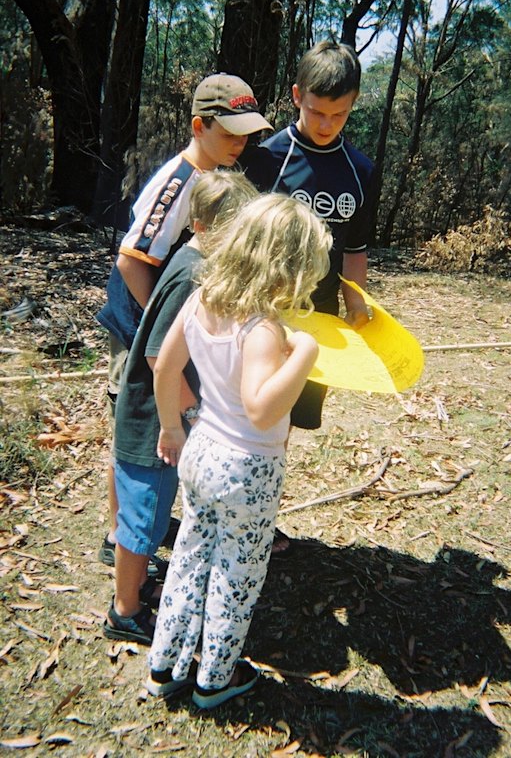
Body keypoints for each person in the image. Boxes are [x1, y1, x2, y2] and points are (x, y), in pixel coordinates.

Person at [144, 194, 332, 706]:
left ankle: (166, 664)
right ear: (288, 268)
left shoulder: (203, 296)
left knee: (189, 555)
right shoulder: (263, 328)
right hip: (248, 469)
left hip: (201, 448)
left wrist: (171, 429)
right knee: (236, 573)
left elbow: (163, 368)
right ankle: (216, 678)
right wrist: (306, 355)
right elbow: (262, 409)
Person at [96, 74, 272, 574]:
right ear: (199, 126)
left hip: (163, 325)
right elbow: (132, 261)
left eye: (246, 133)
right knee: (130, 429)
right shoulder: (180, 181)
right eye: (230, 132)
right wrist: (172, 328)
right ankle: (119, 534)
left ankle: (138, 522)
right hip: (137, 321)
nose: (240, 142)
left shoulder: (217, 177)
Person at [103, 169, 258, 647]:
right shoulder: (191, 273)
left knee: (148, 514)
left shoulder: (194, 261)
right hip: (154, 420)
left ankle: (136, 585)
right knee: (143, 520)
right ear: (210, 227)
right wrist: (191, 413)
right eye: (239, 234)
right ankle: (125, 610)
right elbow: (156, 356)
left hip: (161, 415)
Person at [240, 40, 375, 431]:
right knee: (254, 413)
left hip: (320, 321)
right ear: (297, 96)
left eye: (339, 114)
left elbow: (356, 248)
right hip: (263, 313)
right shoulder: (266, 159)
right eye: (317, 112)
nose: (326, 124)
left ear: (353, 103)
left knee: (288, 423)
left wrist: (356, 305)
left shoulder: (361, 171)